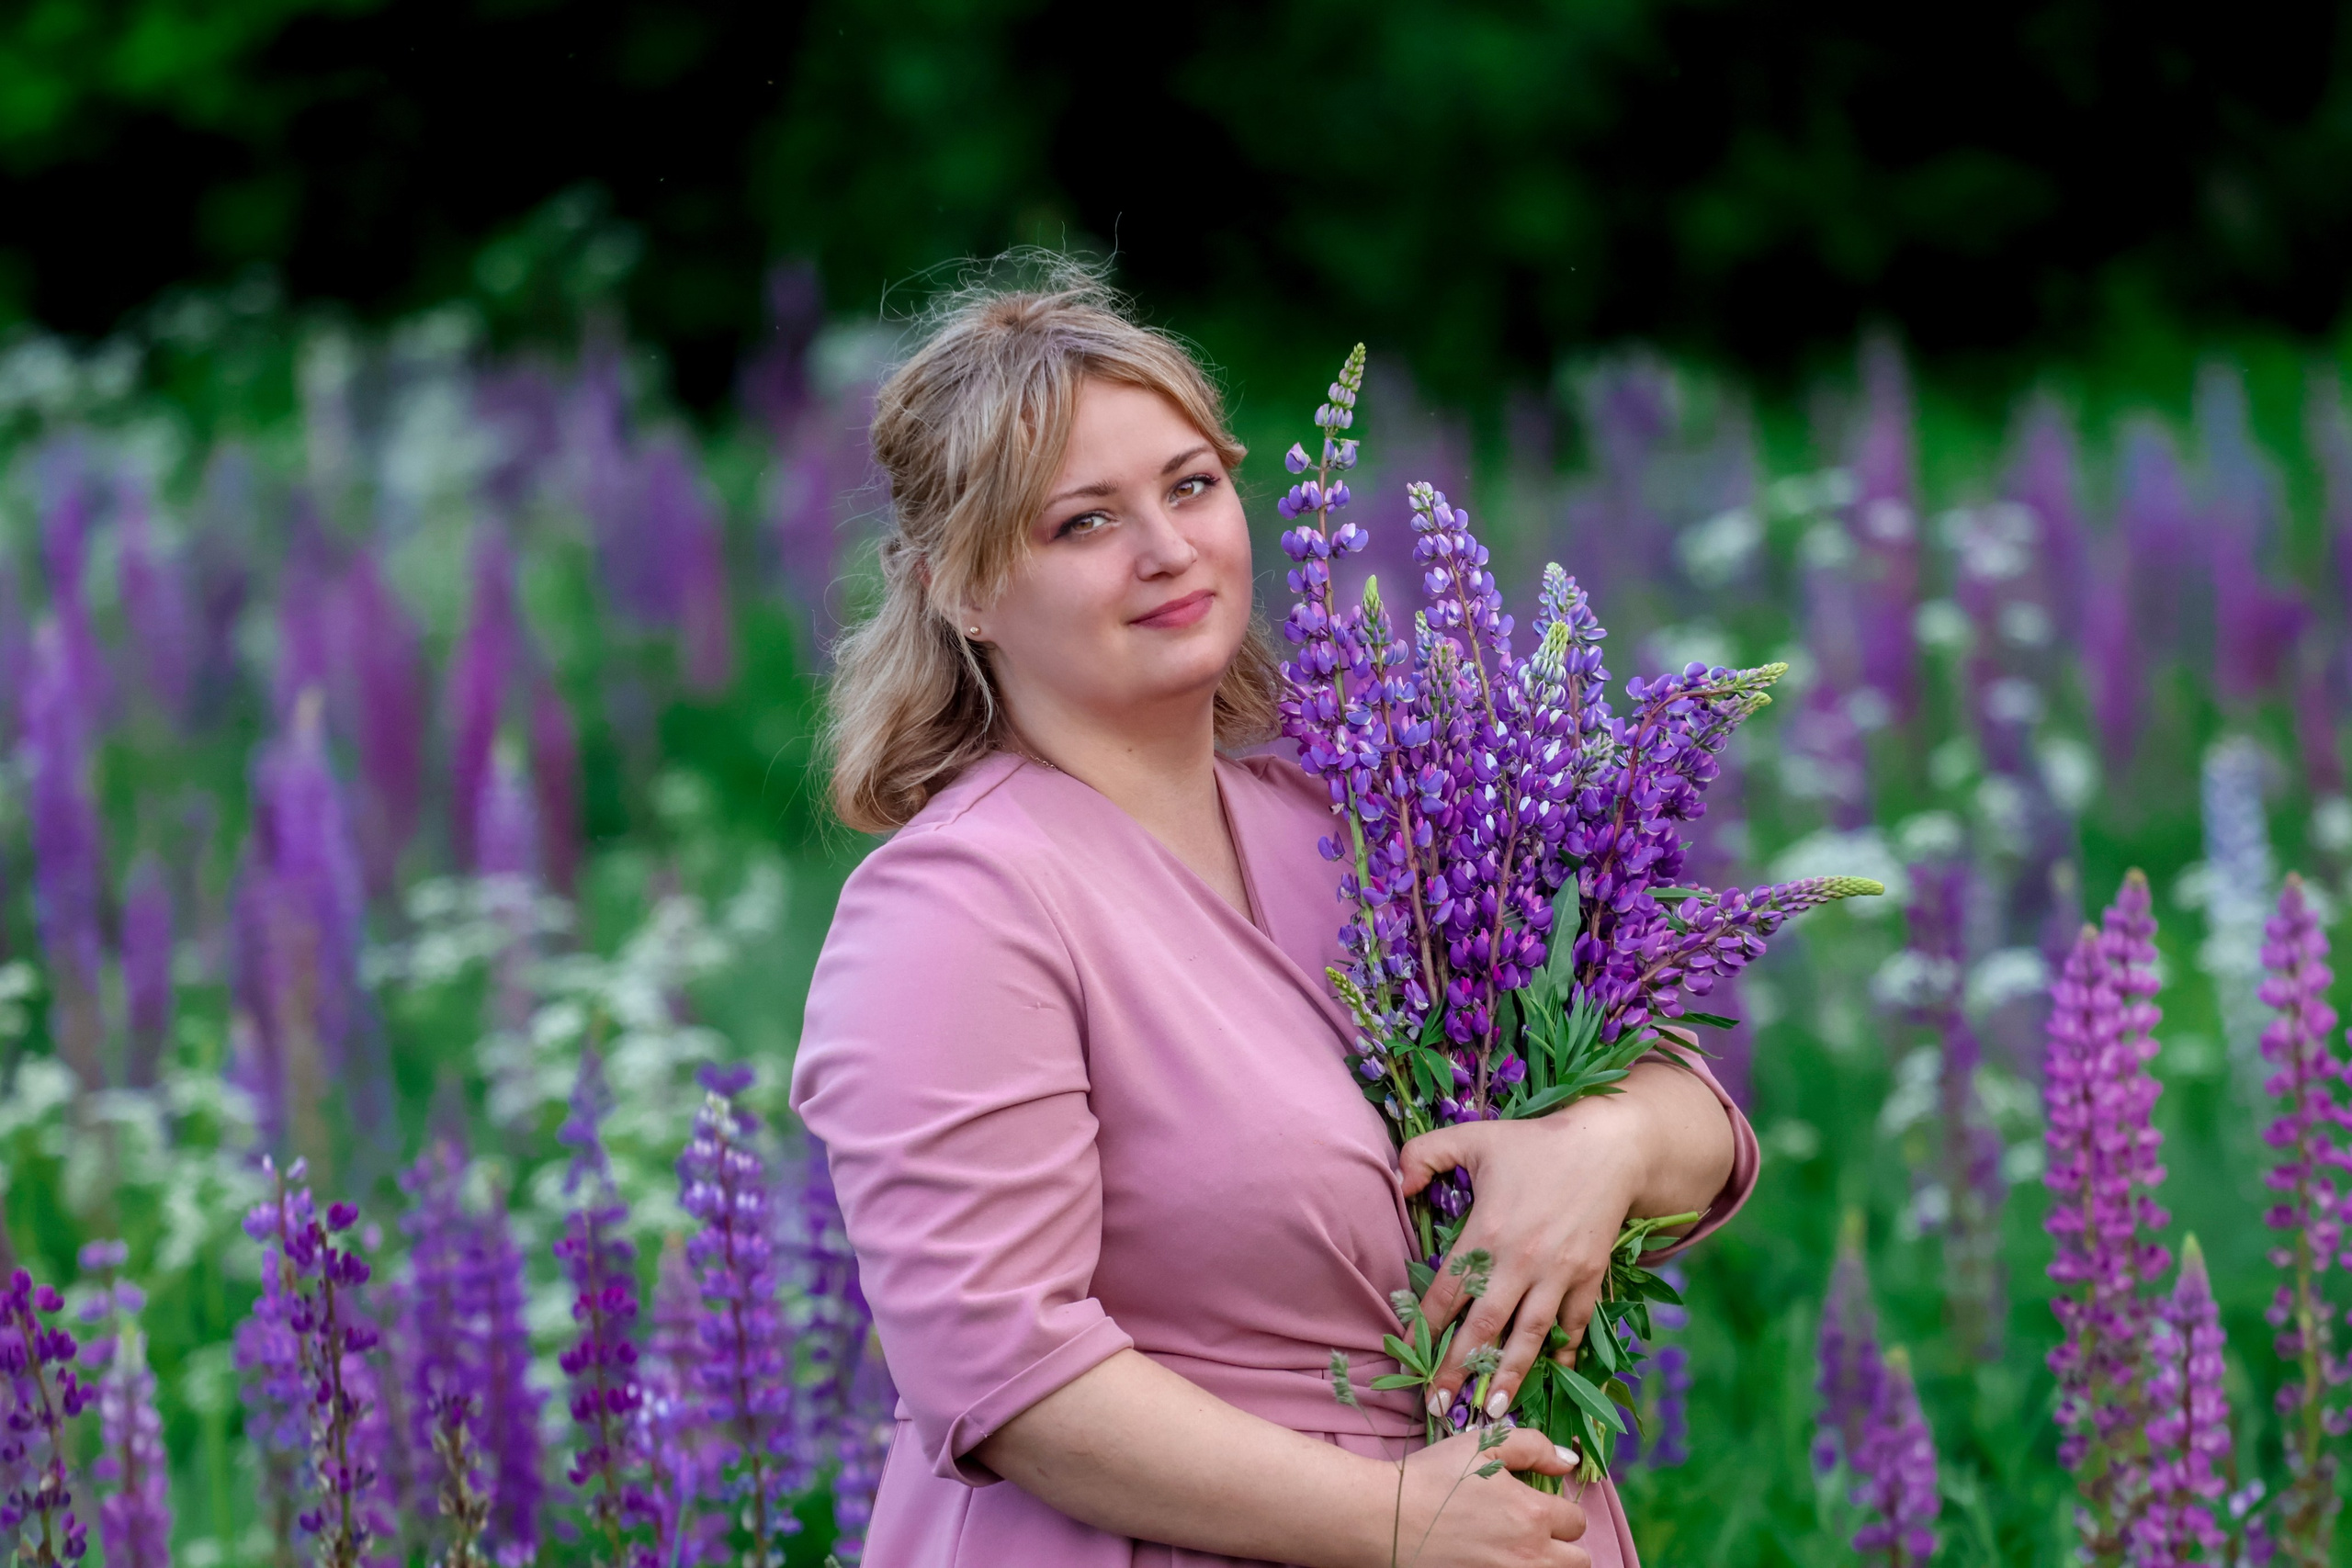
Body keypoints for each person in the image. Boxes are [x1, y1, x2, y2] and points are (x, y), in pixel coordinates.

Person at [791, 262, 1758, 1568]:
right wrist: (1399, 1518)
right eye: (1082, 523)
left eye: (1192, 486)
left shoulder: (1369, 798)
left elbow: (1694, 1113)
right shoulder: (956, 906)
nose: (1168, 548)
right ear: (960, 591)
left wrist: (1605, 1147)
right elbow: (1005, 1376)